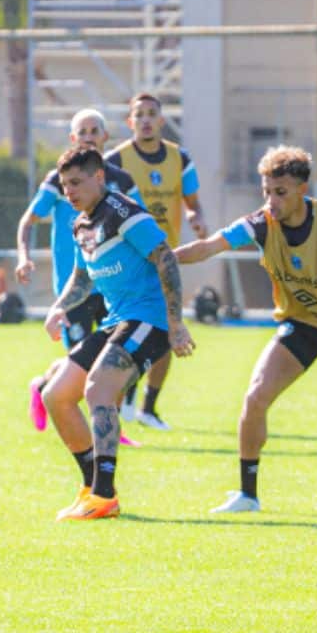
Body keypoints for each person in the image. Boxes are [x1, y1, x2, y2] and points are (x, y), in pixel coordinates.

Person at [174, 145, 317, 518]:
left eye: (279, 192)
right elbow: (208, 247)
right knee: (255, 397)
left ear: (302, 189)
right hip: (302, 321)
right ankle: (248, 494)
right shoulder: (259, 224)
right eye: (266, 191)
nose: (271, 201)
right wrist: (162, 258)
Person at [39, 145, 194, 521]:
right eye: (64, 185)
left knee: (98, 390)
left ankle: (104, 496)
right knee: (56, 396)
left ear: (99, 177)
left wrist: (175, 323)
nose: (70, 192)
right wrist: (59, 306)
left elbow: (165, 258)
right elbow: (81, 278)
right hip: (117, 321)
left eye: (77, 182)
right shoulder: (80, 223)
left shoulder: (123, 212)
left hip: (149, 321)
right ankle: (91, 487)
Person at [15, 108, 141, 447]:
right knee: (85, 364)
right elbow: (29, 220)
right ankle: (45, 390)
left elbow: (139, 224)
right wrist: (25, 257)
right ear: (73, 139)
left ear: (104, 138)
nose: (87, 135)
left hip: (112, 285)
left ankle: (110, 429)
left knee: (114, 356)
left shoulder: (122, 181)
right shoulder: (58, 180)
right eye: (81, 130)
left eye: (94, 130)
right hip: (75, 288)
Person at [104, 92, 207, 430]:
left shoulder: (180, 158)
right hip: (128, 258)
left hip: (166, 257)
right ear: (129, 122)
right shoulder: (115, 160)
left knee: (164, 329)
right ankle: (121, 397)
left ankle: (146, 405)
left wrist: (196, 218)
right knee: (126, 327)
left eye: (152, 113)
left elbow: (192, 201)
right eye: (140, 114)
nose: (146, 119)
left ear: (162, 120)